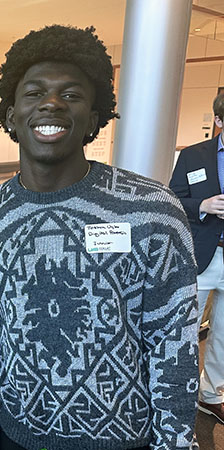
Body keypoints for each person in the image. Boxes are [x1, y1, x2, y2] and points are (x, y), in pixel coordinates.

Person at [0, 25, 198, 450]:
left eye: (71, 95)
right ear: (11, 115)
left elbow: (173, 347)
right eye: (34, 93)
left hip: (123, 441)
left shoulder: (152, 211)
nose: (51, 103)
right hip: (16, 438)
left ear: (93, 118)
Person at [170, 92, 224, 424]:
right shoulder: (193, 156)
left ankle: (211, 394)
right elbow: (173, 198)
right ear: (219, 120)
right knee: (185, 332)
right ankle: (178, 396)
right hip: (202, 254)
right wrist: (203, 207)